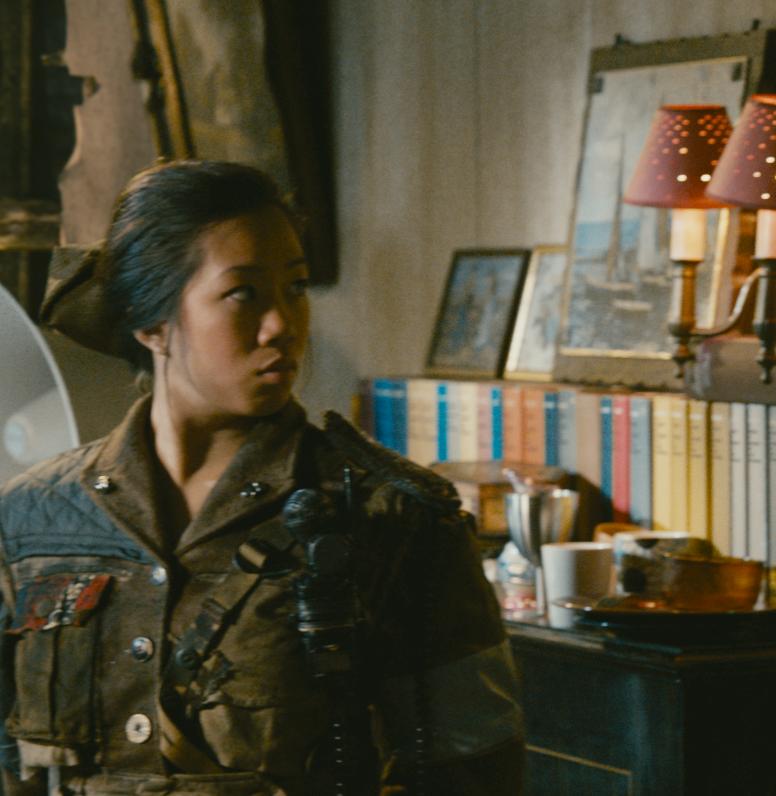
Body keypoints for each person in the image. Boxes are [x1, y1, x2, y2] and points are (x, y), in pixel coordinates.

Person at [0, 161, 524, 795]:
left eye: (295, 287)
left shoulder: (389, 517)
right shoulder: (33, 519)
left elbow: (474, 772)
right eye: (244, 293)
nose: (283, 324)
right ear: (151, 323)